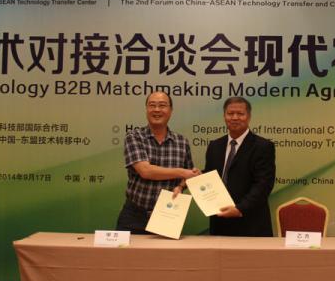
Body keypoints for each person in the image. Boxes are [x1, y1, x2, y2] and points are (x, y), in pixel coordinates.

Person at [116, 91, 199, 234]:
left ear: (171, 110)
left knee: (165, 251)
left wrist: (181, 186)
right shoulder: (134, 136)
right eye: (152, 105)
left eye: (162, 105)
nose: (157, 109)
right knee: (124, 250)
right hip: (135, 216)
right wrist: (182, 172)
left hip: (168, 215)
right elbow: (145, 171)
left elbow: (187, 176)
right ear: (146, 109)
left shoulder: (182, 142)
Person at [204, 96, 276, 236]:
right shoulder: (215, 146)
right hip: (219, 222)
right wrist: (195, 176)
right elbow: (211, 176)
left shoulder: (263, 146)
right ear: (224, 116)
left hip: (251, 223)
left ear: (248, 117)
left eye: (240, 114)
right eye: (230, 113)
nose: (235, 117)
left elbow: (263, 184)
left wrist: (239, 209)